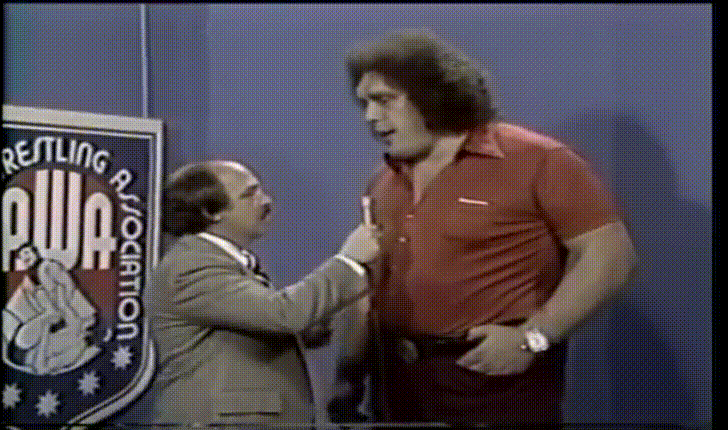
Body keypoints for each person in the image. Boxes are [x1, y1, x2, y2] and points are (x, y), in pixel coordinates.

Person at [342, 31, 638, 427]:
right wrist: (348, 379)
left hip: (494, 383)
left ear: (434, 94)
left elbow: (611, 256)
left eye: (384, 100)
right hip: (397, 389)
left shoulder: (537, 160)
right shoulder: (382, 182)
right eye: (364, 103)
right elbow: (367, 290)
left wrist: (533, 338)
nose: (370, 117)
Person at [144, 160, 379, 427]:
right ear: (212, 212)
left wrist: (310, 326)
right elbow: (283, 314)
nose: (266, 201)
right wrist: (349, 261)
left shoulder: (228, 261)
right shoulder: (191, 266)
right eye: (250, 194)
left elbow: (261, 325)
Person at [3, 243, 100, 376]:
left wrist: (63, 304)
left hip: (71, 309)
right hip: (61, 316)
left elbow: (67, 284)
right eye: (21, 256)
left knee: (70, 329)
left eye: (26, 252)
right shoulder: (34, 276)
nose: (24, 257)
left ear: (35, 252)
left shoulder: (48, 265)